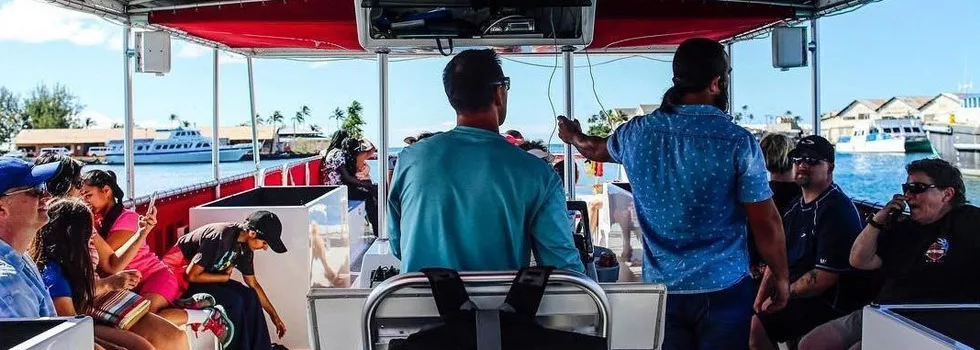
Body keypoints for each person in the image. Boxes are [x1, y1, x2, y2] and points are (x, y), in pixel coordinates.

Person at [557, 38, 789, 350]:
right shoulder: (738, 142)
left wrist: (573, 135)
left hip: (661, 290)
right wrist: (780, 276)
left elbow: (594, 148)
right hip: (724, 288)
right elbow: (766, 223)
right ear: (716, 83)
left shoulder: (637, 133)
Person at [388, 49, 583, 273]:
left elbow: (398, 245)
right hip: (504, 297)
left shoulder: (409, 160)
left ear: (452, 99)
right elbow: (564, 267)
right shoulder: (539, 174)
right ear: (499, 93)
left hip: (416, 295)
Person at [799, 158, 980, 350]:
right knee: (812, 343)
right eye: (906, 189)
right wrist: (878, 219)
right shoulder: (902, 228)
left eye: (917, 188)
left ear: (947, 194)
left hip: (933, 321)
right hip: (883, 312)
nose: (908, 196)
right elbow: (859, 260)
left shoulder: (968, 222)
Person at [80, 169, 231, 336]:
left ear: (106, 191)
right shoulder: (99, 221)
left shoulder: (127, 218)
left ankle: (207, 315)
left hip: (155, 276)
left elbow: (109, 260)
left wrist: (87, 223)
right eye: (81, 197)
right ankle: (183, 306)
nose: (84, 201)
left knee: (146, 320)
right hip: (131, 283)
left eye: (88, 196)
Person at [750, 136, 864, 350]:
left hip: (828, 300)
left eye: (812, 160)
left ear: (830, 167)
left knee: (756, 328)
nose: (803, 164)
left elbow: (824, 278)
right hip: (796, 291)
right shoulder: (795, 208)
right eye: (798, 159)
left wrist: (782, 295)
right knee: (740, 313)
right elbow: (776, 258)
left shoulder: (837, 210)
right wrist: (760, 297)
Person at [30, 198, 190, 350]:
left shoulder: (70, 252)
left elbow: (112, 264)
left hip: (99, 306)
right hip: (87, 315)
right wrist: (109, 284)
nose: (92, 239)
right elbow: (70, 320)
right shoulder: (52, 272)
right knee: (150, 344)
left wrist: (142, 232)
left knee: (175, 337)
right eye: (88, 235)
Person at [161, 210, 288, 350]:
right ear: (252, 233)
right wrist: (224, 277)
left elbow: (253, 284)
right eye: (264, 243)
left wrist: (274, 316)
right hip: (181, 281)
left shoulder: (245, 247)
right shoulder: (220, 237)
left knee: (250, 295)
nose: (265, 248)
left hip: (206, 279)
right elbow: (191, 275)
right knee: (234, 301)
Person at [0, 157, 59, 318]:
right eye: (36, 189)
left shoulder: (21, 258)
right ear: (1, 208)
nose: (47, 195)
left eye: (43, 186)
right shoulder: (6, 282)